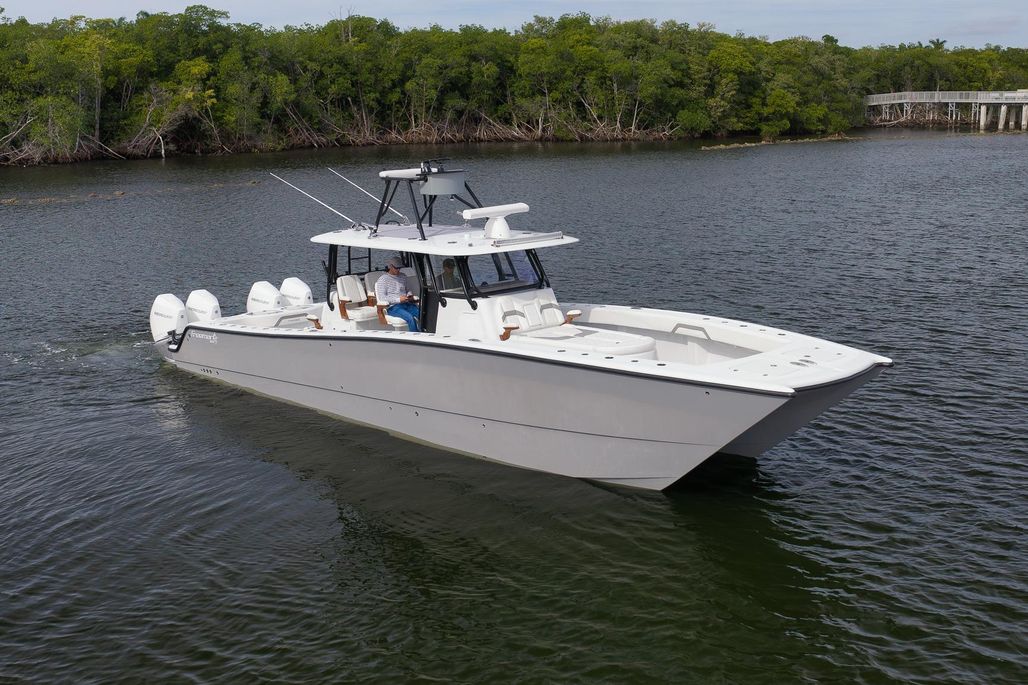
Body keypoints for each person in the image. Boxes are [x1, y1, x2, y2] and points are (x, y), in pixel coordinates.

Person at [375, 256, 420, 331]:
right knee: (410, 318)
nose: (398, 270)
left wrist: (409, 295)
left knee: (422, 315)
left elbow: (408, 290)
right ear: (390, 266)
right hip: (393, 307)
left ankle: (427, 334)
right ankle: (416, 336)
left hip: (406, 304)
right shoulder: (383, 279)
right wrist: (398, 299)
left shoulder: (403, 276)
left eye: (400, 268)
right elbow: (382, 298)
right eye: (396, 268)